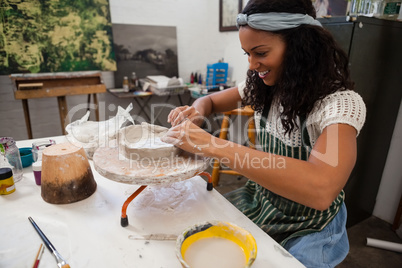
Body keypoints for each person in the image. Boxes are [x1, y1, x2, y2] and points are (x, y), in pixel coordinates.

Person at [162, 0, 366, 266]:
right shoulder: (266, 86)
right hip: (264, 201)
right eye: (247, 53)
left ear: (299, 46)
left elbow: (321, 188)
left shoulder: (339, 104)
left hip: (311, 224)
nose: (251, 64)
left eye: (260, 53)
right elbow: (211, 102)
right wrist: (197, 110)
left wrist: (212, 145)